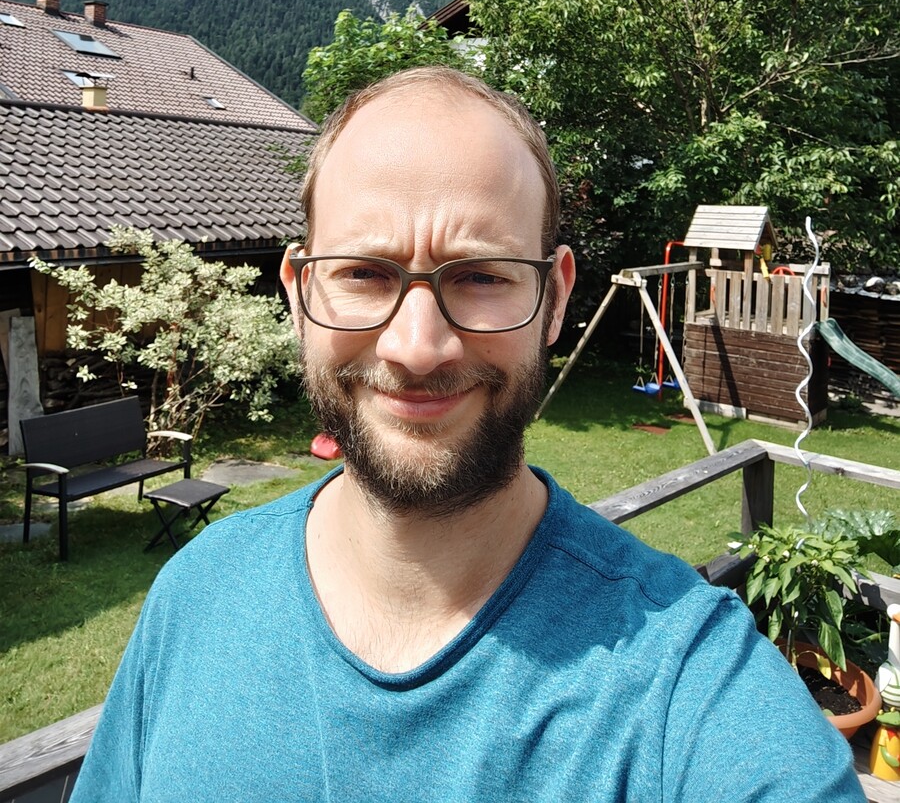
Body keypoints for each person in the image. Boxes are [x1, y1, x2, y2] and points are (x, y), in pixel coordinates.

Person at [71, 67, 863, 802]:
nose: (417, 348)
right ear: (299, 293)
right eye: (364, 272)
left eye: (481, 276)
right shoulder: (194, 594)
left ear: (554, 300)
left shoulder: (688, 681)